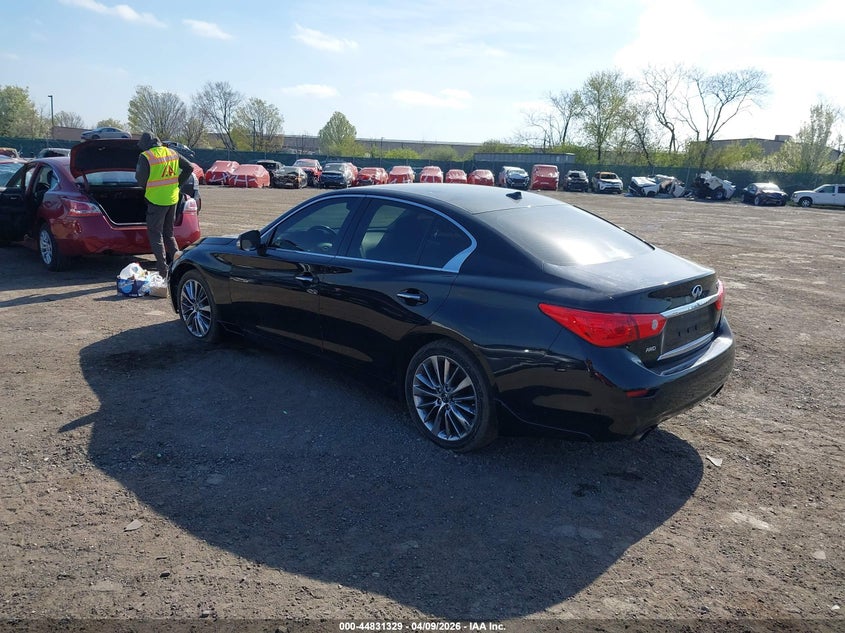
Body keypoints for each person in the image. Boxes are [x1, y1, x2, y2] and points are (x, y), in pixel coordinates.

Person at [135, 132, 193, 278]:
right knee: (169, 235)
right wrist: (178, 184)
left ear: (145, 145)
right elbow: (189, 167)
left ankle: (163, 271)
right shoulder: (172, 152)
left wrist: (148, 188)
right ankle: (179, 269)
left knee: (156, 235)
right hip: (172, 198)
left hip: (156, 200)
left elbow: (141, 180)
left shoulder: (146, 156)